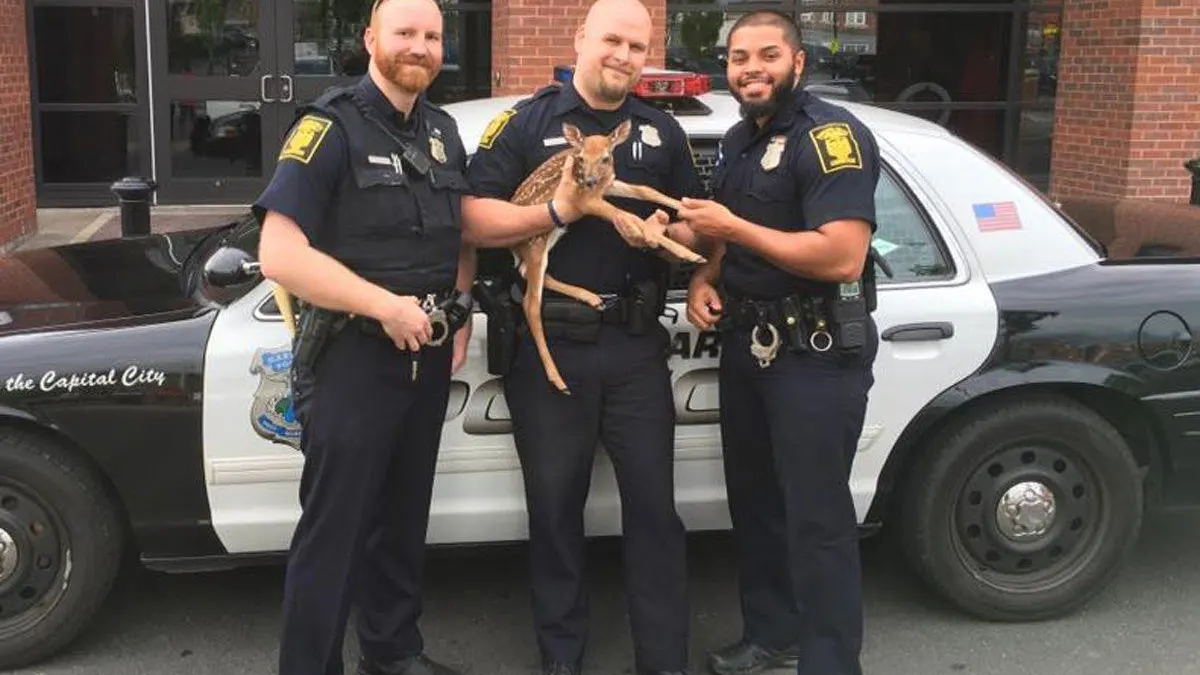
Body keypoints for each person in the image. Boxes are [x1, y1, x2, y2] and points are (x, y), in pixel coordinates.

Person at [459, 1, 704, 673]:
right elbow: (475, 220)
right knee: (555, 518)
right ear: (580, 40)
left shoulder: (661, 133)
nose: (625, 54)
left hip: (634, 346)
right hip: (553, 351)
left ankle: (664, 662)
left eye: (638, 44)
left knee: (656, 516)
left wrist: (675, 235)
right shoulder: (526, 123)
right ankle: (561, 661)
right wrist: (556, 210)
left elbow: (696, 229)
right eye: (613, 40)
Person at [252, 1, 481, 673]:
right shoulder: (329, 129)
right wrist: (385, 306)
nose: (420, 46)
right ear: (370, 40)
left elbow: (458, 229)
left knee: (403, 522)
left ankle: (392, 652)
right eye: (405, 33)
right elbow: (280, 254)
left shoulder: (442, 130)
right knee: (335, 534)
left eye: (432, 35)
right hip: (353, 358)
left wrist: (459, 304)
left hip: (427, 355)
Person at [677, 10, 881, 675]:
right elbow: (729, 238)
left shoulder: (830, 137)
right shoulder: (738, 139)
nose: (751, 69)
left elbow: (843, 254)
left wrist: (730, 225)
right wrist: (706, 274)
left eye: (767, 55)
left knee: (817, 523)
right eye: (739, 58)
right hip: (751, 346)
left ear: (798, 62)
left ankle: (829, 662)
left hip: (816, 356)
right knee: (757, 508)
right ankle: (773, 637)